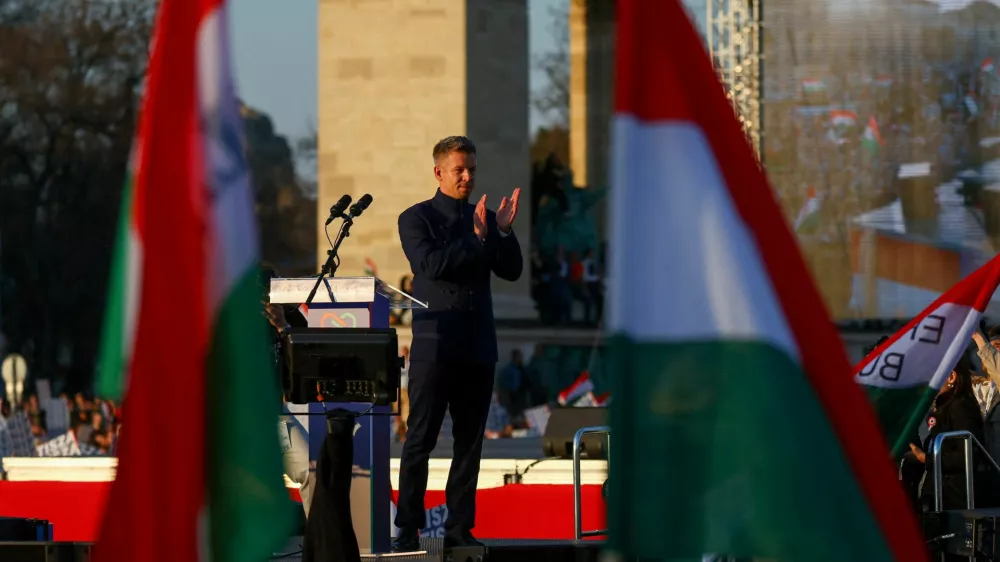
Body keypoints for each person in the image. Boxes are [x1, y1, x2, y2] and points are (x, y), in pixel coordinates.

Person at [392, 136, 523, 551]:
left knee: (470, 443)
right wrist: (477, 238)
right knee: (420, 440)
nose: (467, 177)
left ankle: (458, 528)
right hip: (435, 344)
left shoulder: (481, 218)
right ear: (439, 173)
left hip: (478, 344)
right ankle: (408, 528)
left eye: (471, 170)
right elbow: (430, 265)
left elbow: (512, 271)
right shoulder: (415, 218)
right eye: (459, 170)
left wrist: (502, 232)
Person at [260, 263, 315, 519]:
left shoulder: (290, 317)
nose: (269, 300)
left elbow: (308, 358)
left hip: (274, 418)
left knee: (311, 470)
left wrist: (283, 327)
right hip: (233, 420)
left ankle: (319, 544)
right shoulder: (232, 323)